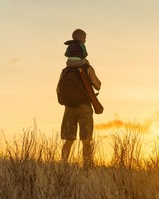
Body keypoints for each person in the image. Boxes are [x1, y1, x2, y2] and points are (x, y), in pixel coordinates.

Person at [61, 29, 101, 167]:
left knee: (69, 140)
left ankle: (63, 165)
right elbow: (98, 85)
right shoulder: (87, 68)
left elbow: (58, 89)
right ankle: (87, 166)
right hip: (84, 107)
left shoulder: (65, 71)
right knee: (86, 139)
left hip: (68, 108)